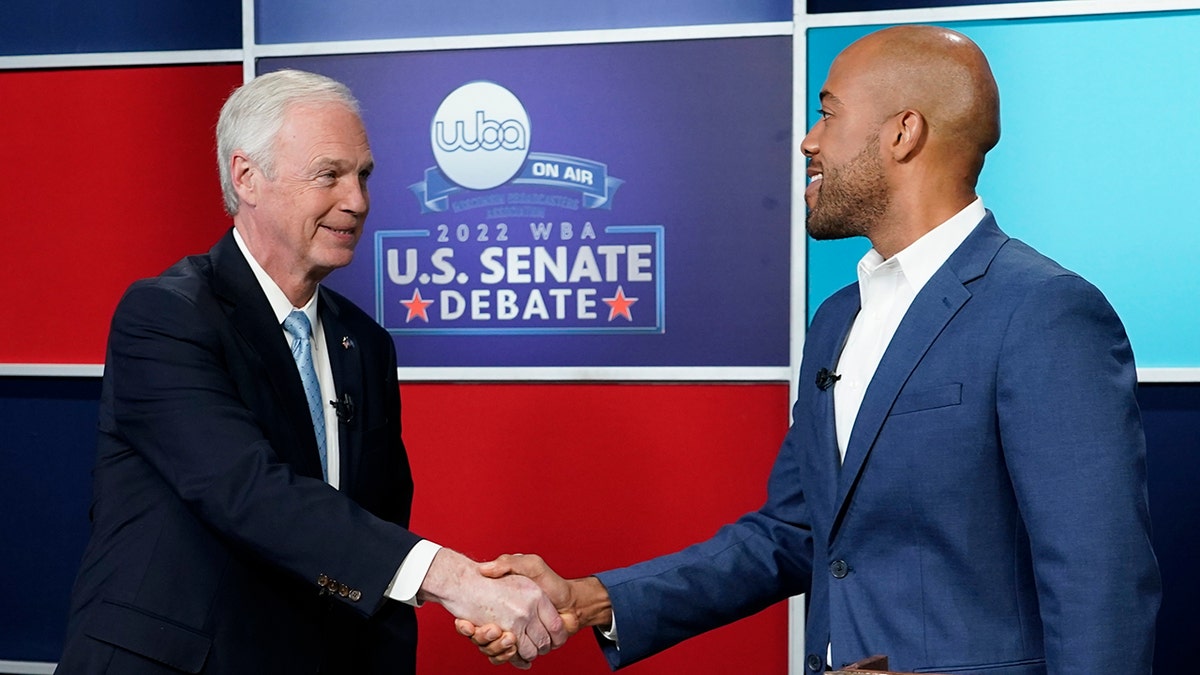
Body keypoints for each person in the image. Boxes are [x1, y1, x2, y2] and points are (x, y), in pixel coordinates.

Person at [459, 25, 1161, 674]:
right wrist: (591, 598)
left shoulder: (1043, 311)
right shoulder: (836, 319)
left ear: (903, 133)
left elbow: (1100, 582)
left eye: (828, 112)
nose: (807, 141)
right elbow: (792, 532)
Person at [57, 69, 567, 674]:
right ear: (248, 177)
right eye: (330, 174)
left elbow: (369, 535)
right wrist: (454, 578)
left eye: (363, 175)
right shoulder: (166, 316)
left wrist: (467, 604)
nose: (357, 201)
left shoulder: (366, 344)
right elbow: (248, 491)